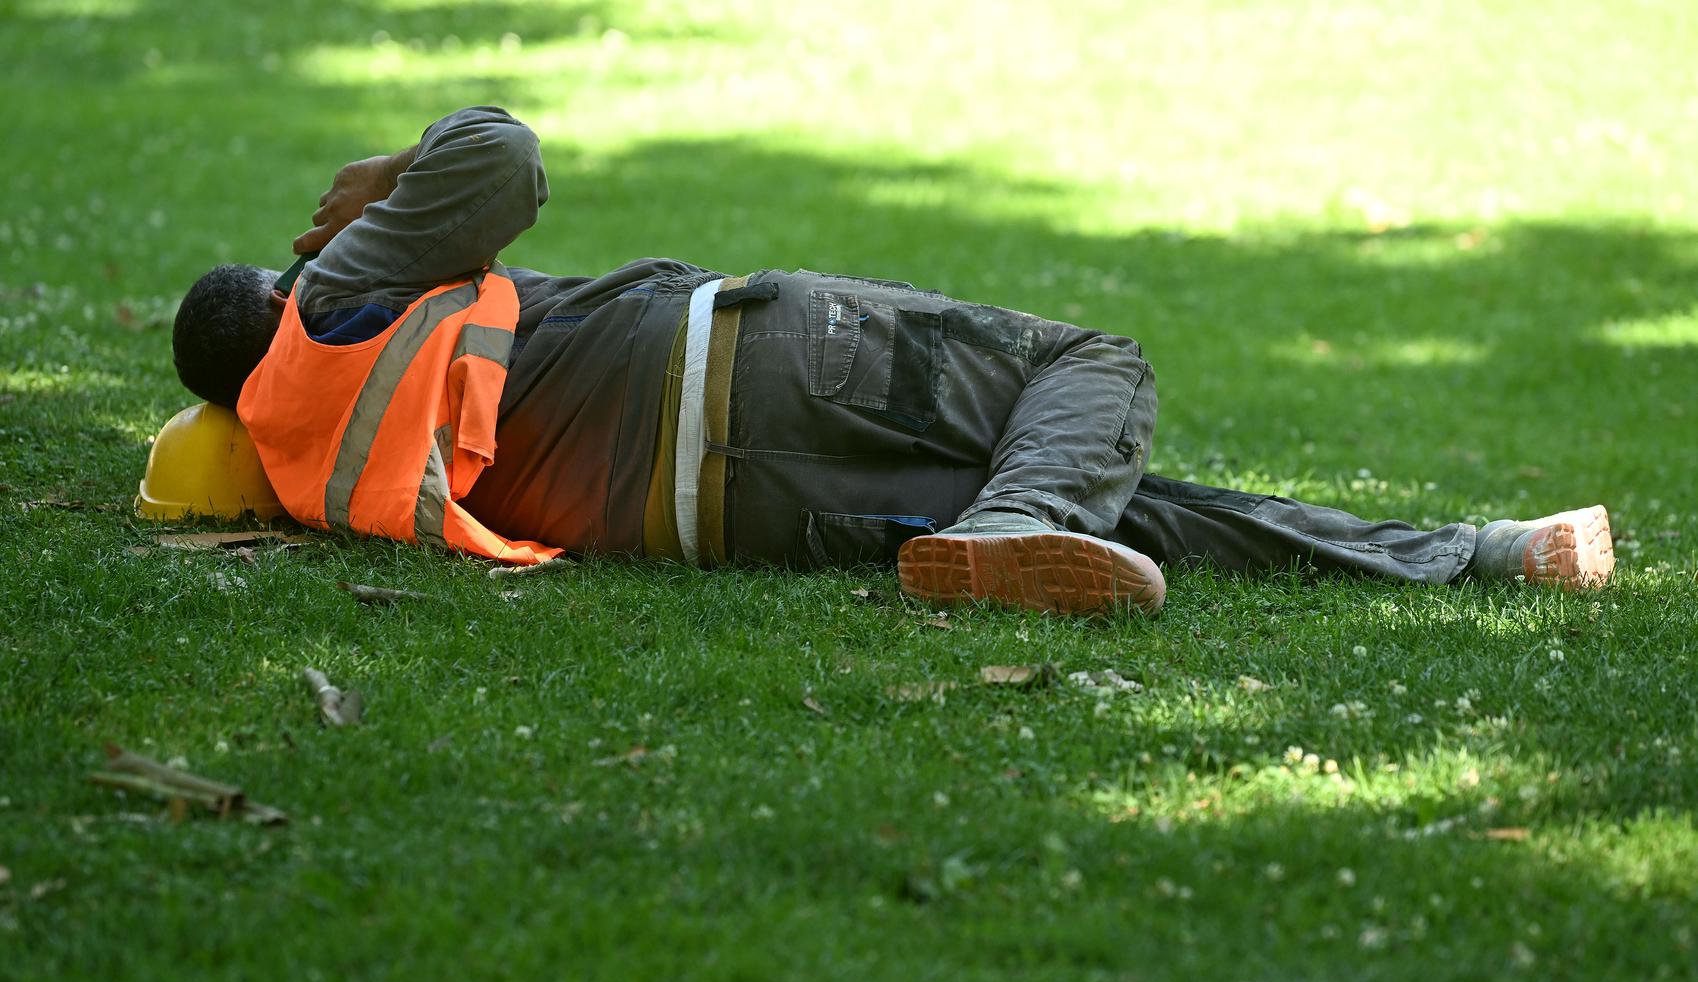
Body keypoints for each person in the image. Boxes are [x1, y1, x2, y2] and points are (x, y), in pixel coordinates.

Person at [170, 106, 1615, 615]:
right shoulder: (333, 299)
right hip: (767, 371)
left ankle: (1481, 555)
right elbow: (506, 161)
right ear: (284, 290)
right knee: (1089, 369)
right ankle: (1010, 528)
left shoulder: (299, 458)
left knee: (1107, 506)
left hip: (735, 525)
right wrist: (403, 166)